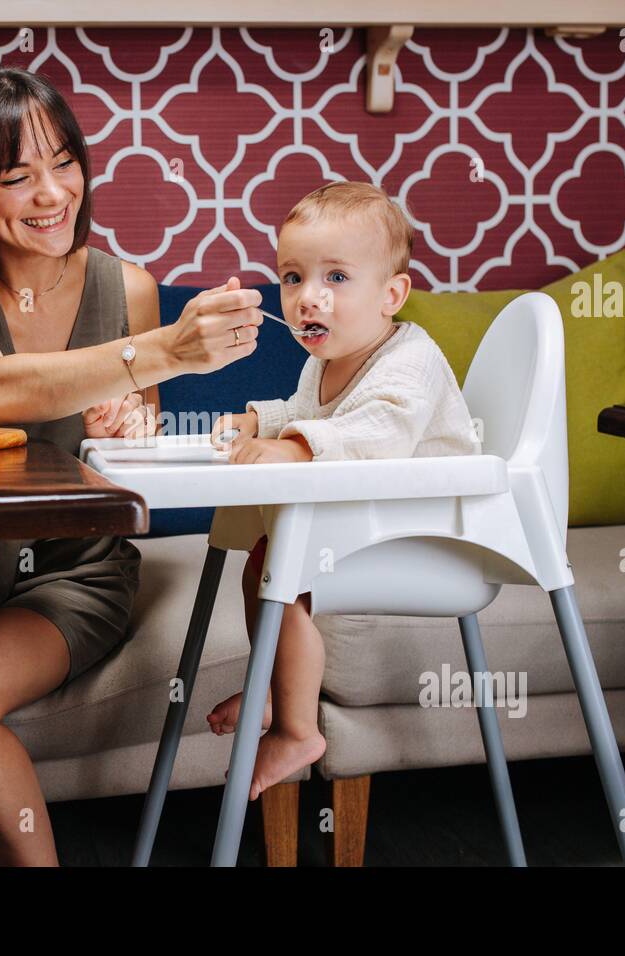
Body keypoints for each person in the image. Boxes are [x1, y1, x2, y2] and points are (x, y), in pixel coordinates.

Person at [0, 65, 263, 866]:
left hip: (71, 571)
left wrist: (139, 422)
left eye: (65, 163)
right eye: (18, 177)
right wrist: (165, 350)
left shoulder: (127, 288)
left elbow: (131, 464)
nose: (53, 193)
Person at [205, 181, 480, 799]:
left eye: (335, 279)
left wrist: (293, 447)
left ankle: (299, 731)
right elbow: (312, 412)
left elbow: (376, 432)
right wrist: (260, 422)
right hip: (375, 524)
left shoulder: (411, 360)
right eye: (294, 277)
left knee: (283, 561)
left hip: (434, 536)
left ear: (392, 294)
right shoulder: (324, 362)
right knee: (263, 563)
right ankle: (276, 692)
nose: (309, 298)